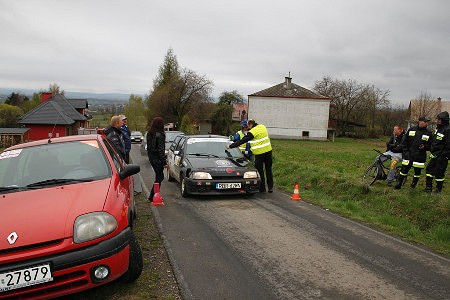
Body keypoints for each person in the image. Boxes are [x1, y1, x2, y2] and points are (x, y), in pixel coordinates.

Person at [228, 119, 273, 193]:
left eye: (248, 126)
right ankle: (270, 187)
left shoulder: (252, 132)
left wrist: (231, 146)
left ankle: (262, 189)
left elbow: (243, 140)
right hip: (268, 152)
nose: (248, 128)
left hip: (259, 154)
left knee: (260, 171)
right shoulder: (263, 127)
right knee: (269, 170)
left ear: (250, 124)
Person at [395, 116, 432, 189]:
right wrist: (406, 152)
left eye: (427, 122)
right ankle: (398, 184)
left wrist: (424, 147)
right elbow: (404, 142)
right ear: (420, 122)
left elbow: (430, 145)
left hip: (420, 156)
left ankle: (413, 185)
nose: (426, 123)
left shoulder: (429, 132)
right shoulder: (411, 129)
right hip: (409, 155)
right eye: (425, 121)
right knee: (403, 170)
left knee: (417, 172)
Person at [424, 111, 449, 193]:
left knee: (439, 173)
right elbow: (435, 141)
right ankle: (428, 188)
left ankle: (438, 189)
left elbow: (448, 146)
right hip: (434, 155)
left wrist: (442, 155)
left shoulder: (448, 129)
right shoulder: (438, 129)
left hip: (442, 156)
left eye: (439, 119)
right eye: (437, 119)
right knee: (429, 170)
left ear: (444, 120)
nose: (437, 121)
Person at [147, 117, 167, 202]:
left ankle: (155, 195)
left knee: (158, 177)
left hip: (152, 158)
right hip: (158, 159)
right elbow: (160, 150)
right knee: (160, 177)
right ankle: (153, 195)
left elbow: (149, 147)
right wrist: (164, 161)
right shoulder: (160, 135)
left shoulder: (149, 133)